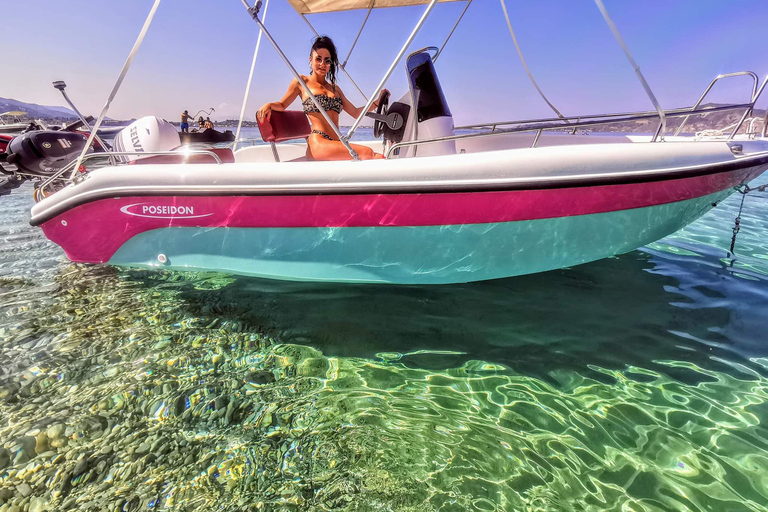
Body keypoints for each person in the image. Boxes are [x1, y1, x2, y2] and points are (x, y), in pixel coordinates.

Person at [257, 36, 384, 161]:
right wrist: (269, 105)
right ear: (310, 59)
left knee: (376, 154)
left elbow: (355, 113)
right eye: (318, 59)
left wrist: (377, 103)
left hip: (336, 141)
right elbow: (282, 105)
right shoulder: (301, 82)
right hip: (319, 143)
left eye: (327, 60)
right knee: (368, 153)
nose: (322, 64)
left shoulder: (335, 89)